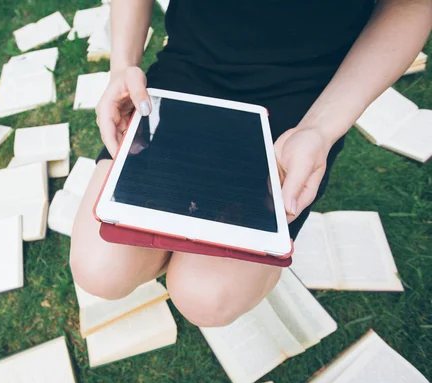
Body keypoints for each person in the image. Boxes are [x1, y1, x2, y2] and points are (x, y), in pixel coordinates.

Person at [70, 0, 432, 327]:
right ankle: (178, 250)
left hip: (304, 96)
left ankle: (205, 261)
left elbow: (410, 4)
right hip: (190, 67)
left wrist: (320, 129)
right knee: (100, 269)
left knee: (207, 297)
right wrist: (122, 67)